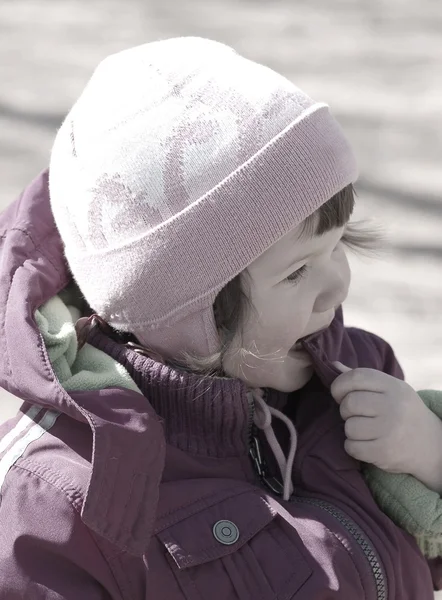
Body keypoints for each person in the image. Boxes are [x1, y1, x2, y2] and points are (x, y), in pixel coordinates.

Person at [0, 36, 441, 599]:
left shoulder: (358, 374)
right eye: (297, 271)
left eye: (338, 245)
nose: (338, 284)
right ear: (187, 312)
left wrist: (430, 456)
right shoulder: (70, 500)